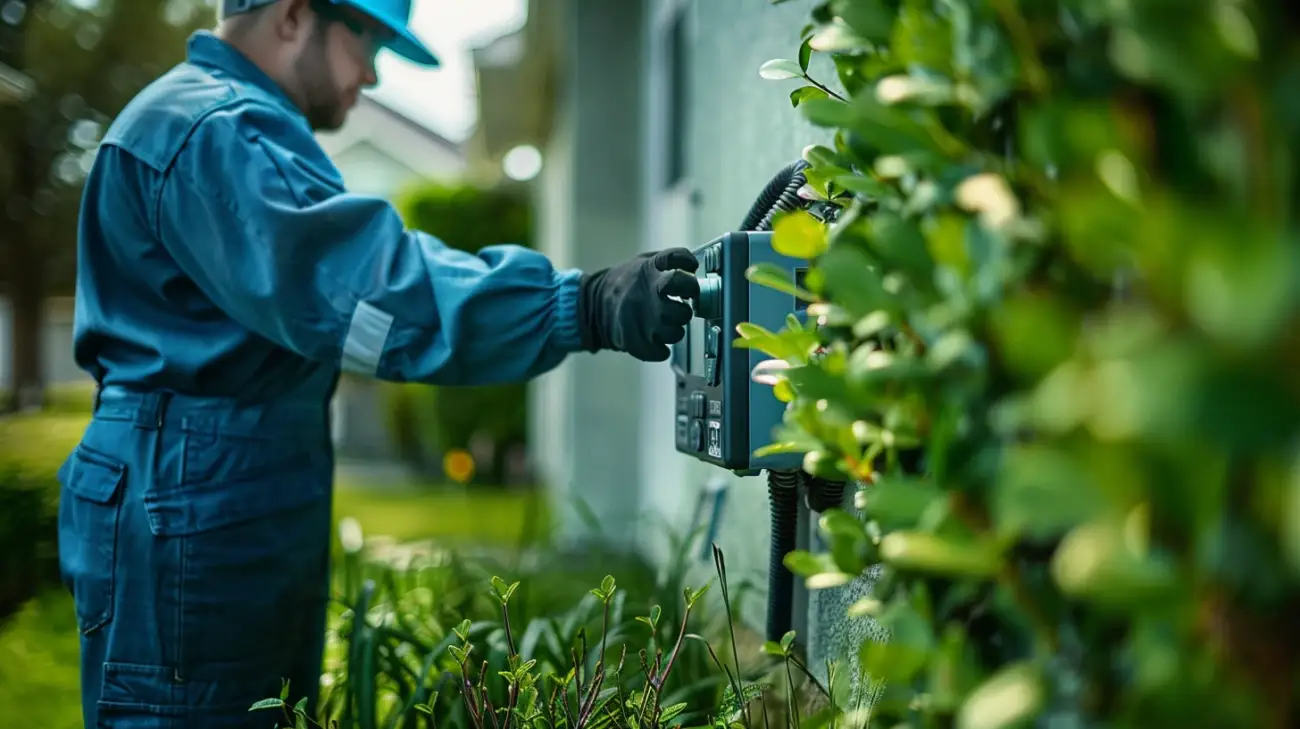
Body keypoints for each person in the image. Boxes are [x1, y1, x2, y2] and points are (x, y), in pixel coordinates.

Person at [56, 0, 699, 726]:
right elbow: (364, 288)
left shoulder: (213, 121)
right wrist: (578, 306)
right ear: (296, 15)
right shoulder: (217, 127)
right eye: (367, 40)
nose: (372, 72)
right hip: (184, 494)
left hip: (192, 487)